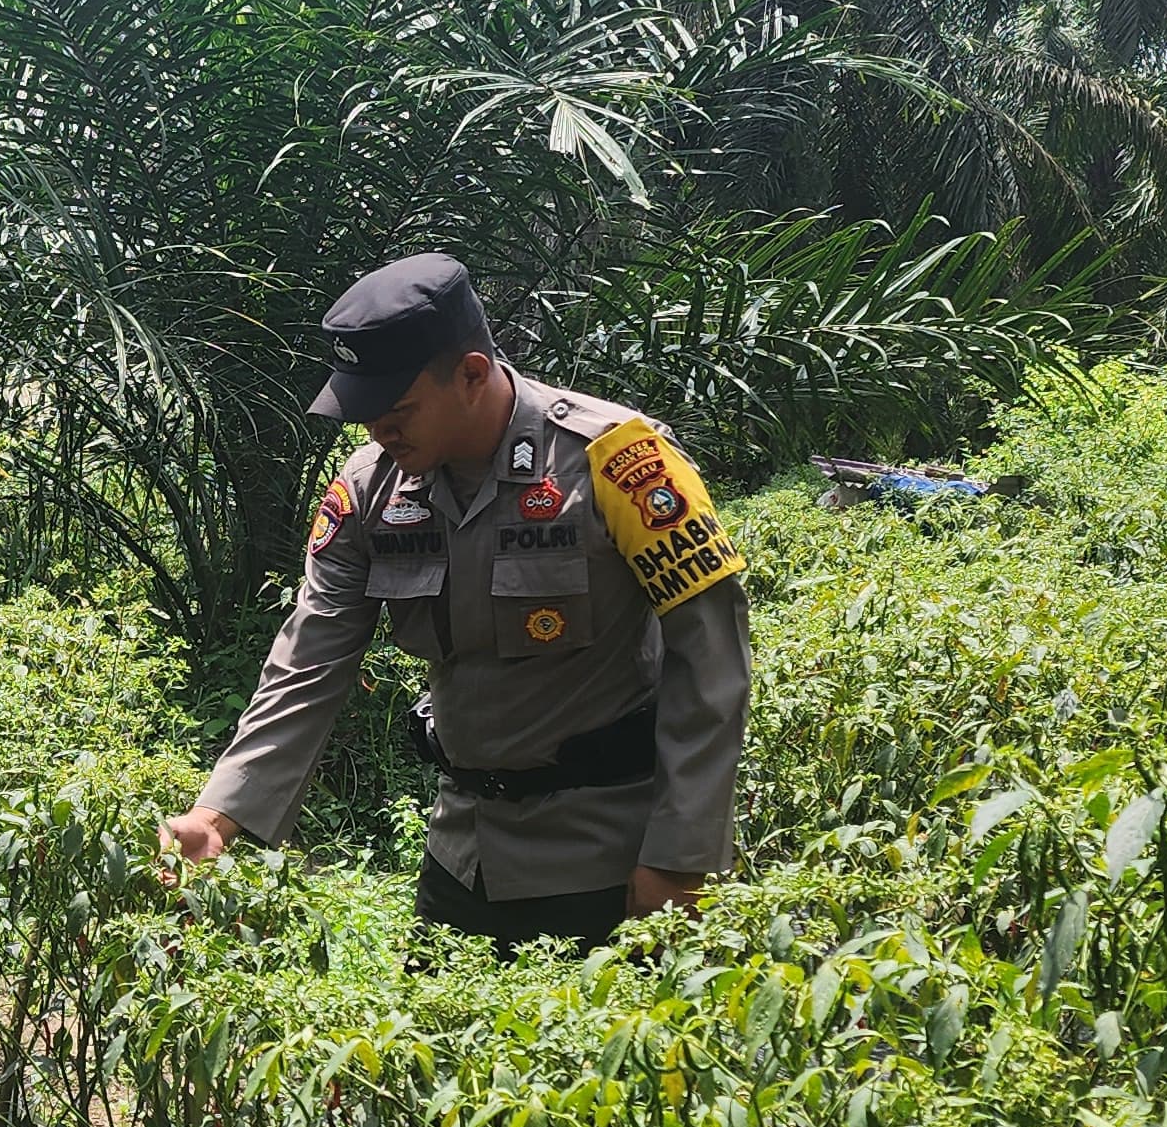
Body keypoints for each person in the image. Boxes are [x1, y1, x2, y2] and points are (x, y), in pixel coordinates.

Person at [161, 252, 750, 949]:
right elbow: (309, 661)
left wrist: (680, 857)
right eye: (365, 413)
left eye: (398, 409)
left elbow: (710, 661)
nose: (378, 431)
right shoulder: (371, 491)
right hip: (459, 857)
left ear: (472, 373)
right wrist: (218, 814)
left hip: (606, 856)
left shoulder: (615, 462)